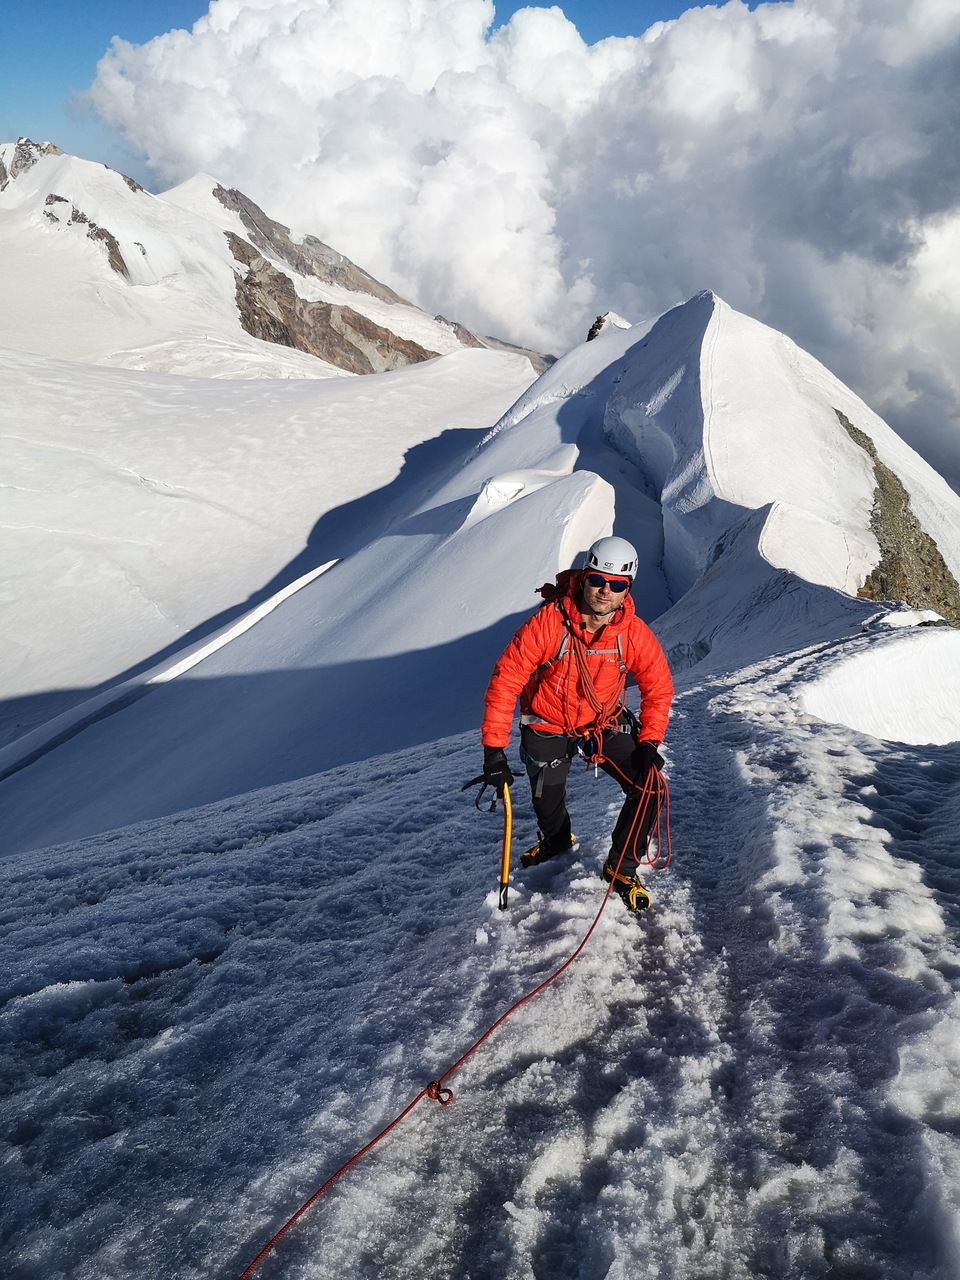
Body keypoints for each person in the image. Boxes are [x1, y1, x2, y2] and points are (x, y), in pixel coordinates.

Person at [481, 535, 674, 911]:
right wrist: (493, 751)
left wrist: (649, 742)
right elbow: (506, 680)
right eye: (598, 580)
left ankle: (622, 868)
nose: (605, 590)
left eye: (617, 585)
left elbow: (658, 686)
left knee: (650, 787)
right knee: (547, 804)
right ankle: (556, 840)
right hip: (547, 723)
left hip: (602, 723)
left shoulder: (631, 633)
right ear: (584, 577)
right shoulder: (549, 624)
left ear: (627, 589)